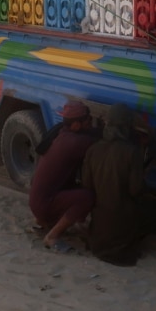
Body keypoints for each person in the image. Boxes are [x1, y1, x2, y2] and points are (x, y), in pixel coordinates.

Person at [82, 103, 156, 266]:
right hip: (123, 221)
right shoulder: (132, 152)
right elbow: (135, 190)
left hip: (99, 229)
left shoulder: (93, 149)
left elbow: (87, 185)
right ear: (128, 126)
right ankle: (130, 238)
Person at [28, 100, 99, 252]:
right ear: (76, 126)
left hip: (37, 200)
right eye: (88, 121)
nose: (90, 124)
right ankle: (52, 236)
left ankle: (43, 222)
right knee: (87, 197)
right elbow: (100, 144)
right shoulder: (74, 142)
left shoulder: (61, 133)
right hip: (44, 204)